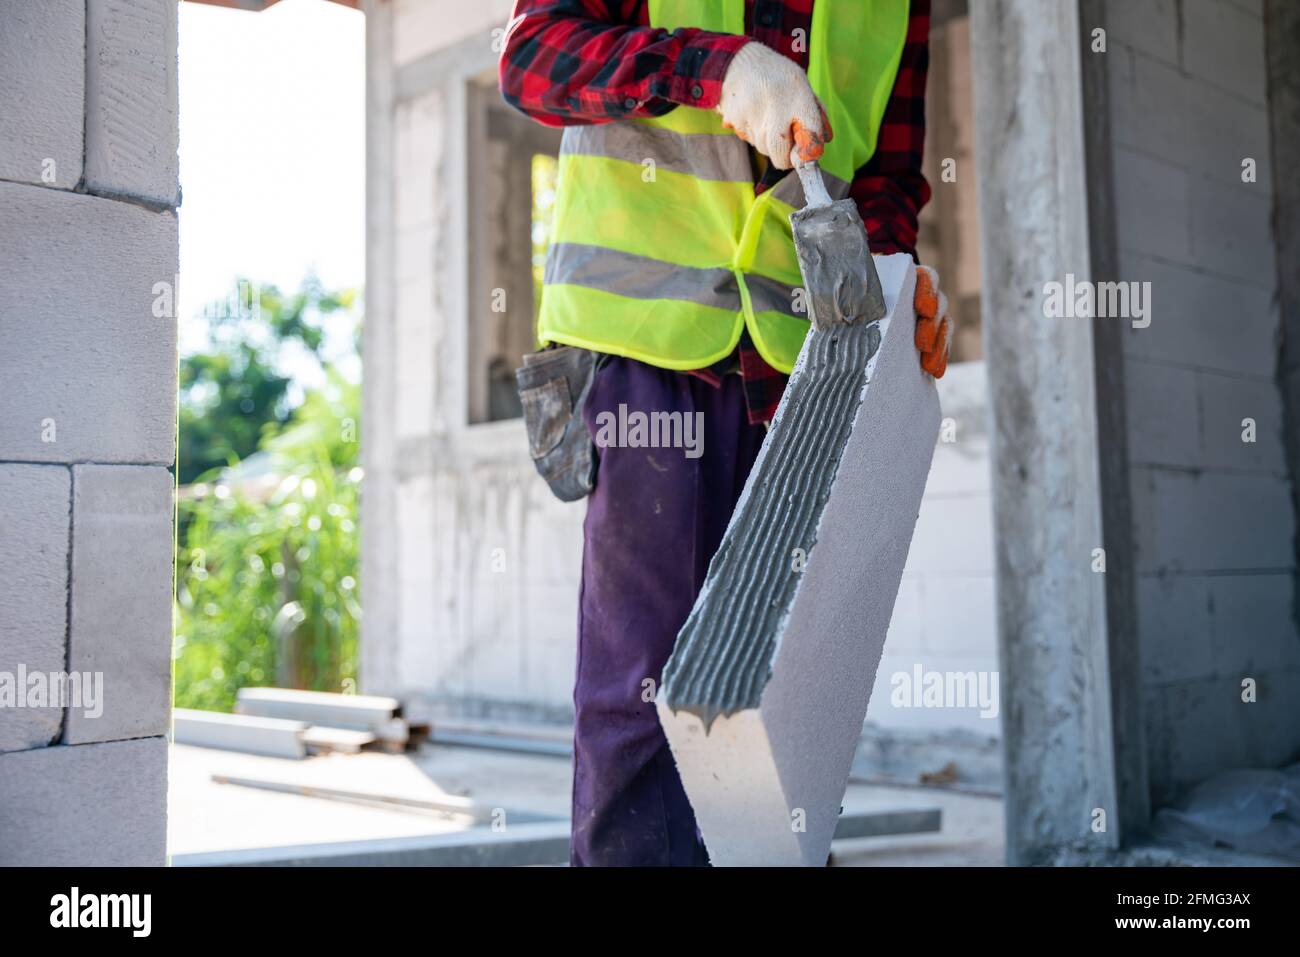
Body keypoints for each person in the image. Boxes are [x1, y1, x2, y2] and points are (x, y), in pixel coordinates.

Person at [500, 0, 949, 866]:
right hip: (649, 350)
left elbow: (888, 177)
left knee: (783, 705)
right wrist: (717, 70)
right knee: (643, 694)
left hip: (807, 365)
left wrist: (896, 279)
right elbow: (533, 59)